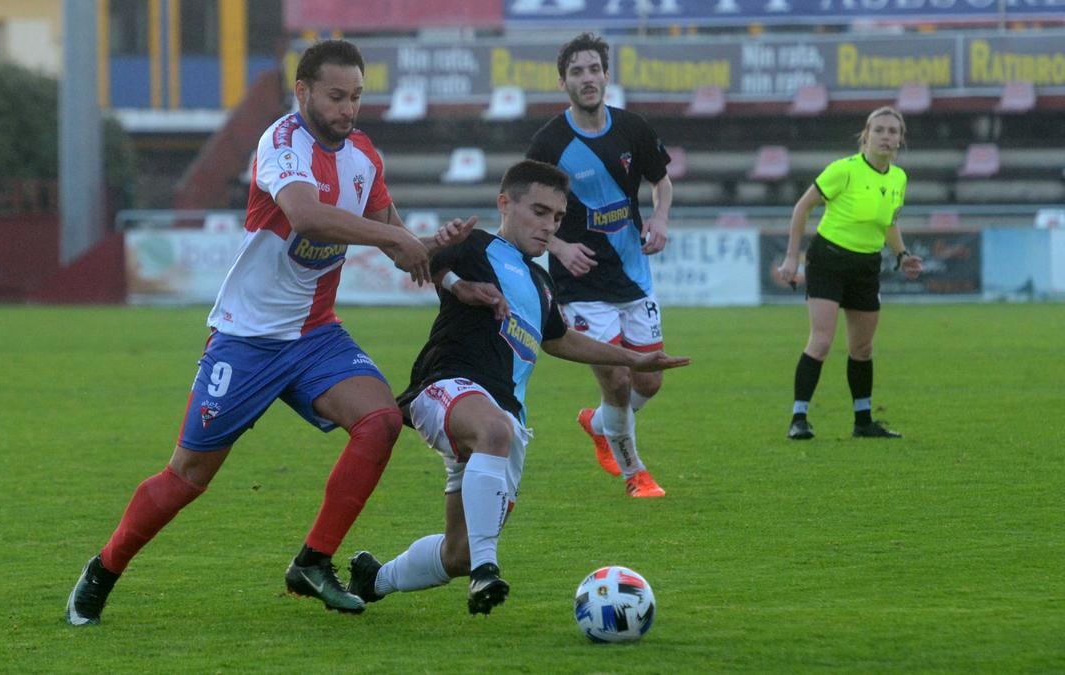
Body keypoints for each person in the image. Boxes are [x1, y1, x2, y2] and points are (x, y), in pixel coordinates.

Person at [66, 40, 481, 625]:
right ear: (304, 92)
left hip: (315, 336)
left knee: (381, 420)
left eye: (357, 97)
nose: (348, 109)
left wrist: (437, 251)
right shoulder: (280, 142)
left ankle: (313, 561)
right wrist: (394, 240)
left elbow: (396, 241)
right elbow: (307, 214)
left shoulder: (364, 157)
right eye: (336, 96)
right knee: (187, 477)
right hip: (246, 339)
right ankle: (104, 568)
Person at [344, 160, 691, 615]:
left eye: (558, 219)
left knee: (458, 552)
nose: (549, 227)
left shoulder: (542, 282)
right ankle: (486, 572)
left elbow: (559, 339)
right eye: (540, 212)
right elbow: (417, 257)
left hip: (507, 417)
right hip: (448, 385)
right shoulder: (474, 243)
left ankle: (374, 579)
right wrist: (450, 272)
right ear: (504, 203)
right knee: (492, 436)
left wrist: (634, 356)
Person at [526, 33, 677, 498]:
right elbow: (524, 210)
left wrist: (659, 217)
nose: (587, 78)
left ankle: (599, 424)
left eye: (594, 69)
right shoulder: (549, 142)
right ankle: (636, 474)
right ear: (563, 82)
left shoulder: (632, 128)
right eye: (577, 72)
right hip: (581, 284)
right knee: (615, 377)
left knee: (648, 380)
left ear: (606, 75)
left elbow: (662, 181)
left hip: (634, 276)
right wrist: (560, 247)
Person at [777, 106, 923, 441]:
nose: (887, 137)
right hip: (828, 260)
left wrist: (901, 255)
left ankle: (863, 422)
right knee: (822, 340)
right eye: (880, 130)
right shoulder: (844, 170)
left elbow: (890, 222)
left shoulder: (899, 178)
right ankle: (798, 418)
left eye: (893, 131)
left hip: (866, 266)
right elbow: (802, 207)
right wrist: (791, 258)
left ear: (901, 139)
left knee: (863, 348)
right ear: (866, 135)